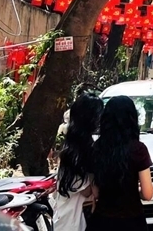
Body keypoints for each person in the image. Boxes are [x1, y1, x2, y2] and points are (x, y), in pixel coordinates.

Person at [88, 95, 153, 231]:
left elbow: (96, 193)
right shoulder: (138, 149)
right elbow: (147, 195)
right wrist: (138, 191)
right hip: (132, 222)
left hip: (102, 222)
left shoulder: (96, 148)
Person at [54, 93, 104, 231]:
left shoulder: (73, 144)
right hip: (73, 221)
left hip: (67, 216)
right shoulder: (80, 151)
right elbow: (87, 191)